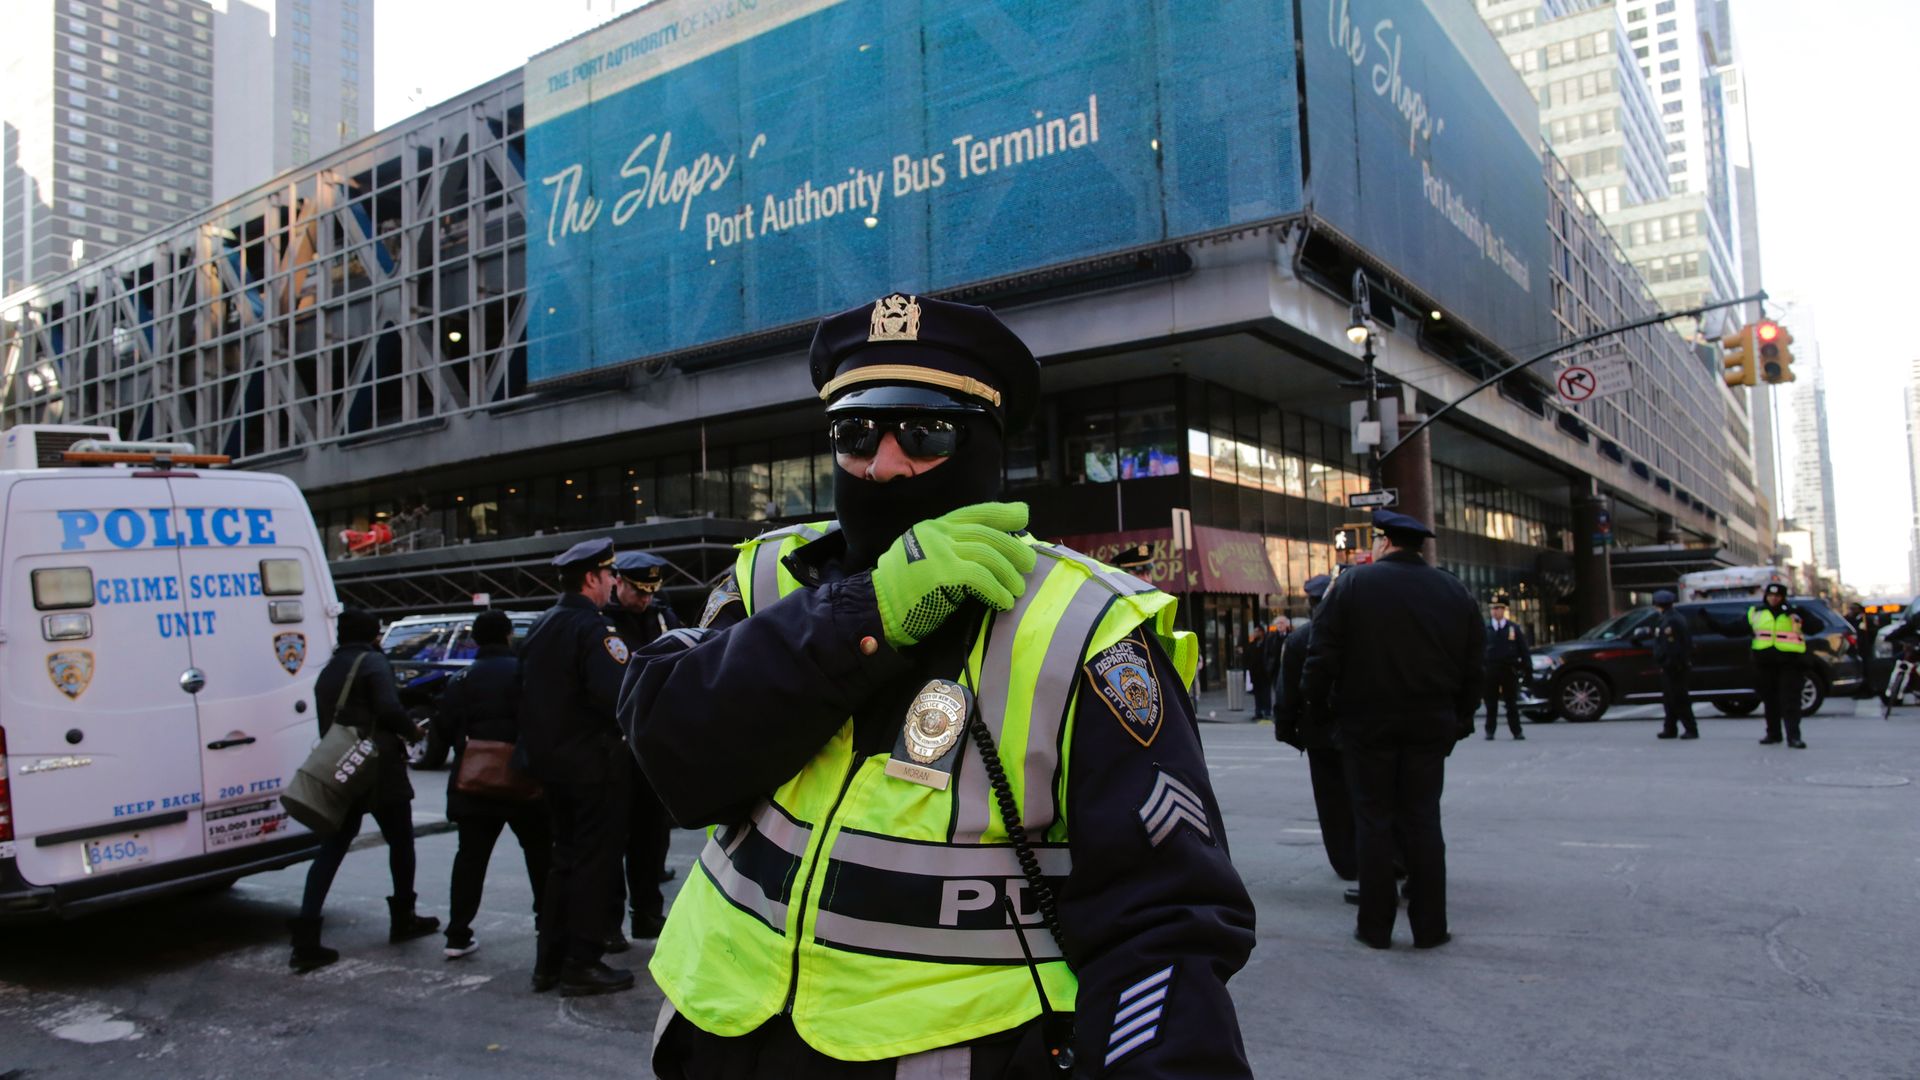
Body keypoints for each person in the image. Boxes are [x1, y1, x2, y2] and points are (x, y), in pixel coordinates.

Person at [620, 293, 1255, 1077]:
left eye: (923, 434)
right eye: (855, 434)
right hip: (719, 1038)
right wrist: (865, 612)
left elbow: (1169, 922)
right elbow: (672, 751)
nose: (884, 465)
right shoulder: (771, 575)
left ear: (985, 449)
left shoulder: (1083, 623)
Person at [1302, 510, 1482, 951]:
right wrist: (1458, 719)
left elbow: (1321, 655)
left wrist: (1319, 710)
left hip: (1367, 723)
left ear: (1384, 542)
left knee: (1373, 821)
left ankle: (1376, 926)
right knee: (1423, 821)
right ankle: (1429, 926)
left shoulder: (1353, 586)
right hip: (1429, 724)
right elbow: (1476, 664)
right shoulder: (1453, 590)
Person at [289, 608, 439, 973]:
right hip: (380, 766)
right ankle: (404, 916)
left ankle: (306, 937)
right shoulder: (372, 661)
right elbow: (388, 707)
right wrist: (412, 731)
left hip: (344, 767)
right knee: (401, 842)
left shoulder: (328, 670)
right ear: (373, 634)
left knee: (332, 847)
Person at [519, 538, 636, 996]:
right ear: (592, 578)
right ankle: (581, 962)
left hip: (552, 766)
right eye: (609, 577)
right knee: (594, 863)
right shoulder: (594, 630)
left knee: (562, 862)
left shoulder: (542, 625)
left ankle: (548, 962)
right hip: (594, 765)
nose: (612, 585)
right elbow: (618, 696)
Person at [435, 610, 551, 960]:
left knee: (470, 859)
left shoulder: (461, 680)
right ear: (508, 635)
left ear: (474, 640)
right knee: (541, 855)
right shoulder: (525, 675)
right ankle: (546, 924)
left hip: (475, 784)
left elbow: (442, 732)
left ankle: (457, 933)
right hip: (523, 780)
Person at [601, 550, 682, 951]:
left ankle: (647, 914)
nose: (645, 598)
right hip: (616, 747)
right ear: (618, 581)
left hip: (652, 744)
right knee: (614, 839)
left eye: (651, 591)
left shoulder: (663, 615)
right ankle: (610, 923)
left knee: (652, 839)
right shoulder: (603, 621)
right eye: (638, 591)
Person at [1276, 574, 1355, 882]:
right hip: (1354, 729)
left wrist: (1286, 728)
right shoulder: (1353, 634)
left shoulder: (1300, 639)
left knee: (1332, 801)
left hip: (1320, 732)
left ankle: (1346, 860)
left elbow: (1288, 691)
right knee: (1364, 796)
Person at [1749, 582, 1809, 749]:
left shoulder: (1794, 613)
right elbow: (1736, 628)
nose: (1773, 598)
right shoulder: (1757, 612)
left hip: (1790, 664)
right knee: (1770, 701)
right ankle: (1773, 734)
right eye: (1770, 595)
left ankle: (1794, 737)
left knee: (1790, 702)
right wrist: (1711, 622)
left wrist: (1796, 615)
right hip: (1765, 665)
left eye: (1777, 596)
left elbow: (1815, 626)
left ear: (1783, 597)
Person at [1650, 590, 1697, 740]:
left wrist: (1671, 662)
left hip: (1675, 666)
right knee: (1670, 699)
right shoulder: (1666, 618)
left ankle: (1690, 729)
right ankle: (1670, 728)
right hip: (1669, 665)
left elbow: (1676, 646)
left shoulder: (1673, 621)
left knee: (1679, 698)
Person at [1481, 595, 1530, 741]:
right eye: (1493, 609)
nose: (1495, 612)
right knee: (1491, 703)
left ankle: (1516, 731)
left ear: (1504, 610)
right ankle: (1490, 730)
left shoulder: (1512, 628)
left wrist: (1527, 669)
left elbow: (1523, 650)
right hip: (1491, 670)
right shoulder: (1486, 628)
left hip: (1508, 669)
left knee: (1511, 703)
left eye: (1498, 608)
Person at [1242, 624, 1273, 720]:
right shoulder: (1252, 645)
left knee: (1266, 693)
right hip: (1255, 673)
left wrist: (1268, 669)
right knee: (1257, 694)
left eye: (1257, 631)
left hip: (1264, 673)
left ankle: (1267, 711)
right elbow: (1248, 657)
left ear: (1261, 632)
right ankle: (1258, 711)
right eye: (1254, 631)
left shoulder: (1267, 644)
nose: (1255, 633)